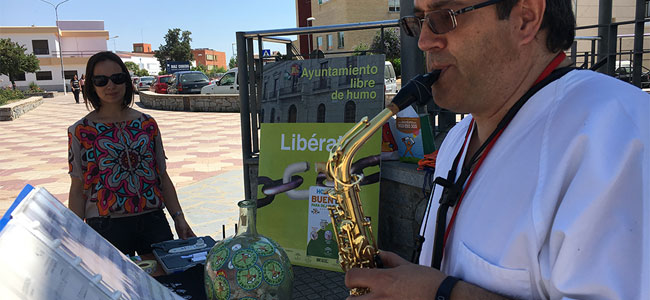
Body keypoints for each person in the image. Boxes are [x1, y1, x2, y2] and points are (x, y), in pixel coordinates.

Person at [345, 0, 649, 299]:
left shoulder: (622, 133)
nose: (424, 41)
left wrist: (438, 293)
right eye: (420, 20)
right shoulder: (457, 138)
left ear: (525, 19)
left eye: (444, 16)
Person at [68, 51, 196, 257]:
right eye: (101, 80)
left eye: (117, 78)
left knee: (165, 284)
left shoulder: (146, 124)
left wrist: (178, 217)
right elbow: (77, 187)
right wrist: (75, 235)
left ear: (126, 81)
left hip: (153, 222)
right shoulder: (81, 130)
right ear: (91, 85)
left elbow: (162, 176)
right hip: (106, 227)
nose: (111, 86)